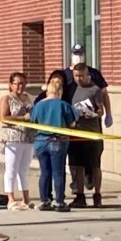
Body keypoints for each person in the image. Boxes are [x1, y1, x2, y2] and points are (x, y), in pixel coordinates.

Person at [30, 73, 77, 212]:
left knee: (45, 172)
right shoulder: (63, 105)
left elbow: (33, 121)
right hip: (58, 140)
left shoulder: (38, 105)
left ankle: (44, 201)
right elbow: (72, 123)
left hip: (40, 141)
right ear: (59, 91)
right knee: (58, 172)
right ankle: (60, 202)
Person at [67, 63, 108, 209]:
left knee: (95, 165)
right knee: (77, 166)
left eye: (82, 76)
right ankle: (80, 195)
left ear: (87, 75)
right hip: (75, 132)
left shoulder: (95, 89)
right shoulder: (71, 89)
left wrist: (93, 114)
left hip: (92, 133)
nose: (79, 79)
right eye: (76, 76)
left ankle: (97, 195)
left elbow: (100, 110)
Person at [0, 71, 34, 210]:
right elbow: (4, 117)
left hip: (28, 137)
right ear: (11, 85)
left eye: (23, 83)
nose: (20, 86)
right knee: (11, 169)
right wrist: (22, 118)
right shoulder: (6, 99)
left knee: (24, 169)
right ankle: (10, 198)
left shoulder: (29, 98)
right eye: (17, 83)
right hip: (13, 138)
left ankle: (26, 198)